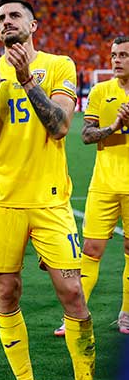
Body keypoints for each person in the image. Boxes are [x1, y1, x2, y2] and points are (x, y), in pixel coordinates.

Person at [0, 0, 105, 380]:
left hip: (49, 202)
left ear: (34, 24)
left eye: (14, 16)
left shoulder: (59, 64)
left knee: (73, 294)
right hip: (1, 201)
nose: (6, 22)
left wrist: (27, 80)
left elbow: (61, 126)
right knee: (6, 294)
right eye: (0, 18)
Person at [60, 36, 129, 334]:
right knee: (90, 249)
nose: (116, 60)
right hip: (103, 183)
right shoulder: (101, 90)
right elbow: (87, 135)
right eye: (114, 54)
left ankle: (126, 313)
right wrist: (114, 127)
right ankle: (76, 315)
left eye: (124, 55)